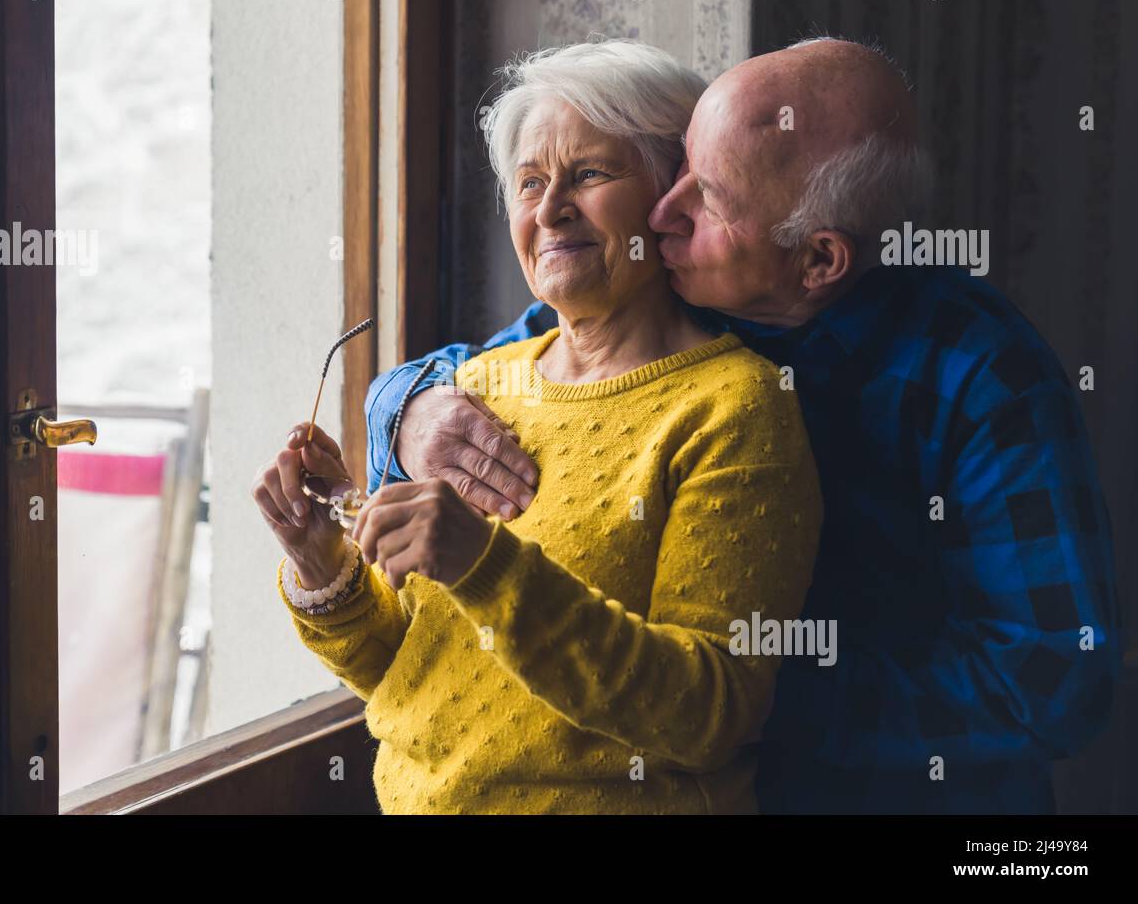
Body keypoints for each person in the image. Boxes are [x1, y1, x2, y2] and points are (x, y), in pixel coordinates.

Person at [366, 38, 1121, 813]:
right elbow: (491, 368)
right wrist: (403, 412)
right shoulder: (672, 287)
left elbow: (1056, 683)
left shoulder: (981, 373)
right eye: (680, 166)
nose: (663, 209)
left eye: (709, 198)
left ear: (819, 260)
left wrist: (741, 691)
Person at [253, 40, 822, 813]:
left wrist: (486, 564)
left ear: (669, 198)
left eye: (588, 174)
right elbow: (408, 672)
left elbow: (707, 715)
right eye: (529, 182)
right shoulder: (472, 391)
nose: (549, 209)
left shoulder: (734, 408)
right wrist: (320, 564)